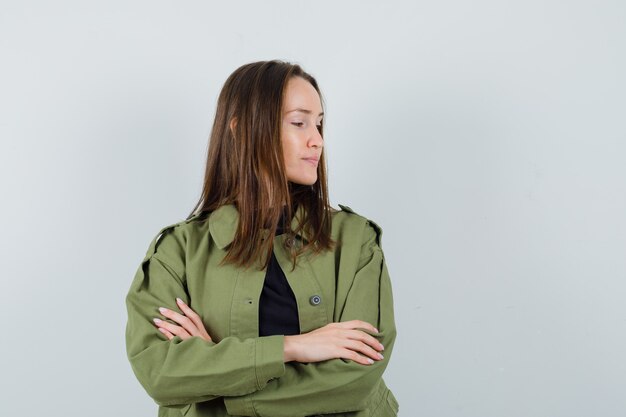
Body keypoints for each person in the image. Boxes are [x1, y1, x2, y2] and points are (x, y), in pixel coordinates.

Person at [124, 59, 399, 417]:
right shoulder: (178, 252)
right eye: (299, 123)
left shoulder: (355, 241)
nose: (316, 140)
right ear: (242, 129)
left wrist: (218, 382)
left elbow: (356, 380)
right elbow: (160, 373)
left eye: (318, 124)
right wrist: (293, 347)